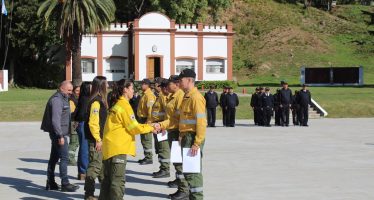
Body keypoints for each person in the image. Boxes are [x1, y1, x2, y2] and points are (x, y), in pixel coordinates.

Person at [98, 79, 155, 200]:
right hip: (118, 148)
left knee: (107, 182)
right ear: (125, 89)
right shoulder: (124, 106)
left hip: (109, 148)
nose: (133, 91)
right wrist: (150, 127)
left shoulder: (116, 103)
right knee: (117, 182)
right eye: (132, 88)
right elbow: (133, 128)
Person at [41, 80, 79, 192]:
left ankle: (51, 182)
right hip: (58, 134)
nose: (71, 92)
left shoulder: (63, 98)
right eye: (69, 90)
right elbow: (55, 120)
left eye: (71, 90)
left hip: (59, 133)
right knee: (64, 157)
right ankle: (65, 183)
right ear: (61, 88)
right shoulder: (57, 100)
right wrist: (60, 136)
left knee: (54, 157)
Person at [157, 75, 188, 199]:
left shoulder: (179, 97)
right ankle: (181, 186)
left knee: (179, 162)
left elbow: (180, 119)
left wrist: (181, 133)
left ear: (176, 84)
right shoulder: (171, 96)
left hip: (176, 132)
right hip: (171, 130)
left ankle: (184, 190)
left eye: (169, 84)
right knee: (176, 161)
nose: (167, 86)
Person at [177, 68, 207, 200]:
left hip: (192, 138)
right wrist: (181, 133)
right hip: (186, 137)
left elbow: (201, 122)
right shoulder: (186, 96)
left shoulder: (196, 98)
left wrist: (197, 142)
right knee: (188, 171)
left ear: (189, 80)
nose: (179, 82)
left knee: (193, 172)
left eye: (181, 80)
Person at [84, 76, 108, 200]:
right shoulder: (96, 102)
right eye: (106, 84)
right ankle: (89, 195)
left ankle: (104, 194)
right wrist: (98, 139)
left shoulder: (99, 100)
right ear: (102, 86)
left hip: (100, 140)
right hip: (96, 141)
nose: (108, 86)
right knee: (94, 167)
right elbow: (93, 123)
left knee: (102, 169)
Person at [151, 78, 171, 178]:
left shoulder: (164, 97)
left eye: (157, 85)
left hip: (162, 127)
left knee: (163, 148)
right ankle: (162, 167)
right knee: (159, 148)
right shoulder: (159, 96)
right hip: (157, 125)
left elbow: (167, 114)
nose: (155, 87)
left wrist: (163, 126)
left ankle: (165, 169)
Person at [137, 78, 156, 165]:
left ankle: (149, 157)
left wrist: (148, 121)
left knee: (146, 139)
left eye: (143, 84)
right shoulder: (145, 94)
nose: (141, 85)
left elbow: (150, 109)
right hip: (142, 119)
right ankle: (146, 156)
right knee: (143, 139)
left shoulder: (149, 95)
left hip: (146, 120)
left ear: (147, 85)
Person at [75, 82, 91, 180]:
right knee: (84, 148)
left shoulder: (83, 98)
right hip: (84, 124)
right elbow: (81, 114)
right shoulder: (86, 99)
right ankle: (83, 171)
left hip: (82, 124)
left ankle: (82, 171)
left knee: (84, 148)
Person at [68, 85, 80, 166]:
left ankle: (69, 157)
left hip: (76, 122)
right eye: (77, 91)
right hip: (74, 123)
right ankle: (70, 159)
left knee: (76, 142)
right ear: (73, 92)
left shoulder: (78, 99)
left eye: (80, 90)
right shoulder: (72, 100)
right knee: (74, 142)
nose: (79, 92)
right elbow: (72, 113)